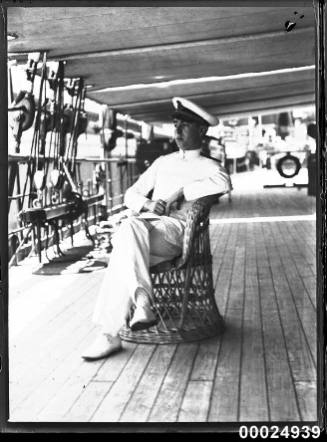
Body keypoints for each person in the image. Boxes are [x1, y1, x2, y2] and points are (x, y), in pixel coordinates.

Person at [82, 97, 230, 361]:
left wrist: (182, 192)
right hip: (145, 229)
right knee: (126, 243)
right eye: (176, 125)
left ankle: (110, 334)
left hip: (174, 234)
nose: (178, 131)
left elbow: (224, 182)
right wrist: (148, 203)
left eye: (185, 125)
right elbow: (131, 194)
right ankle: (138, 307)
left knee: (126, 234)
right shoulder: (164, 161)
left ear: (202, 131)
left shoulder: (210, 166)